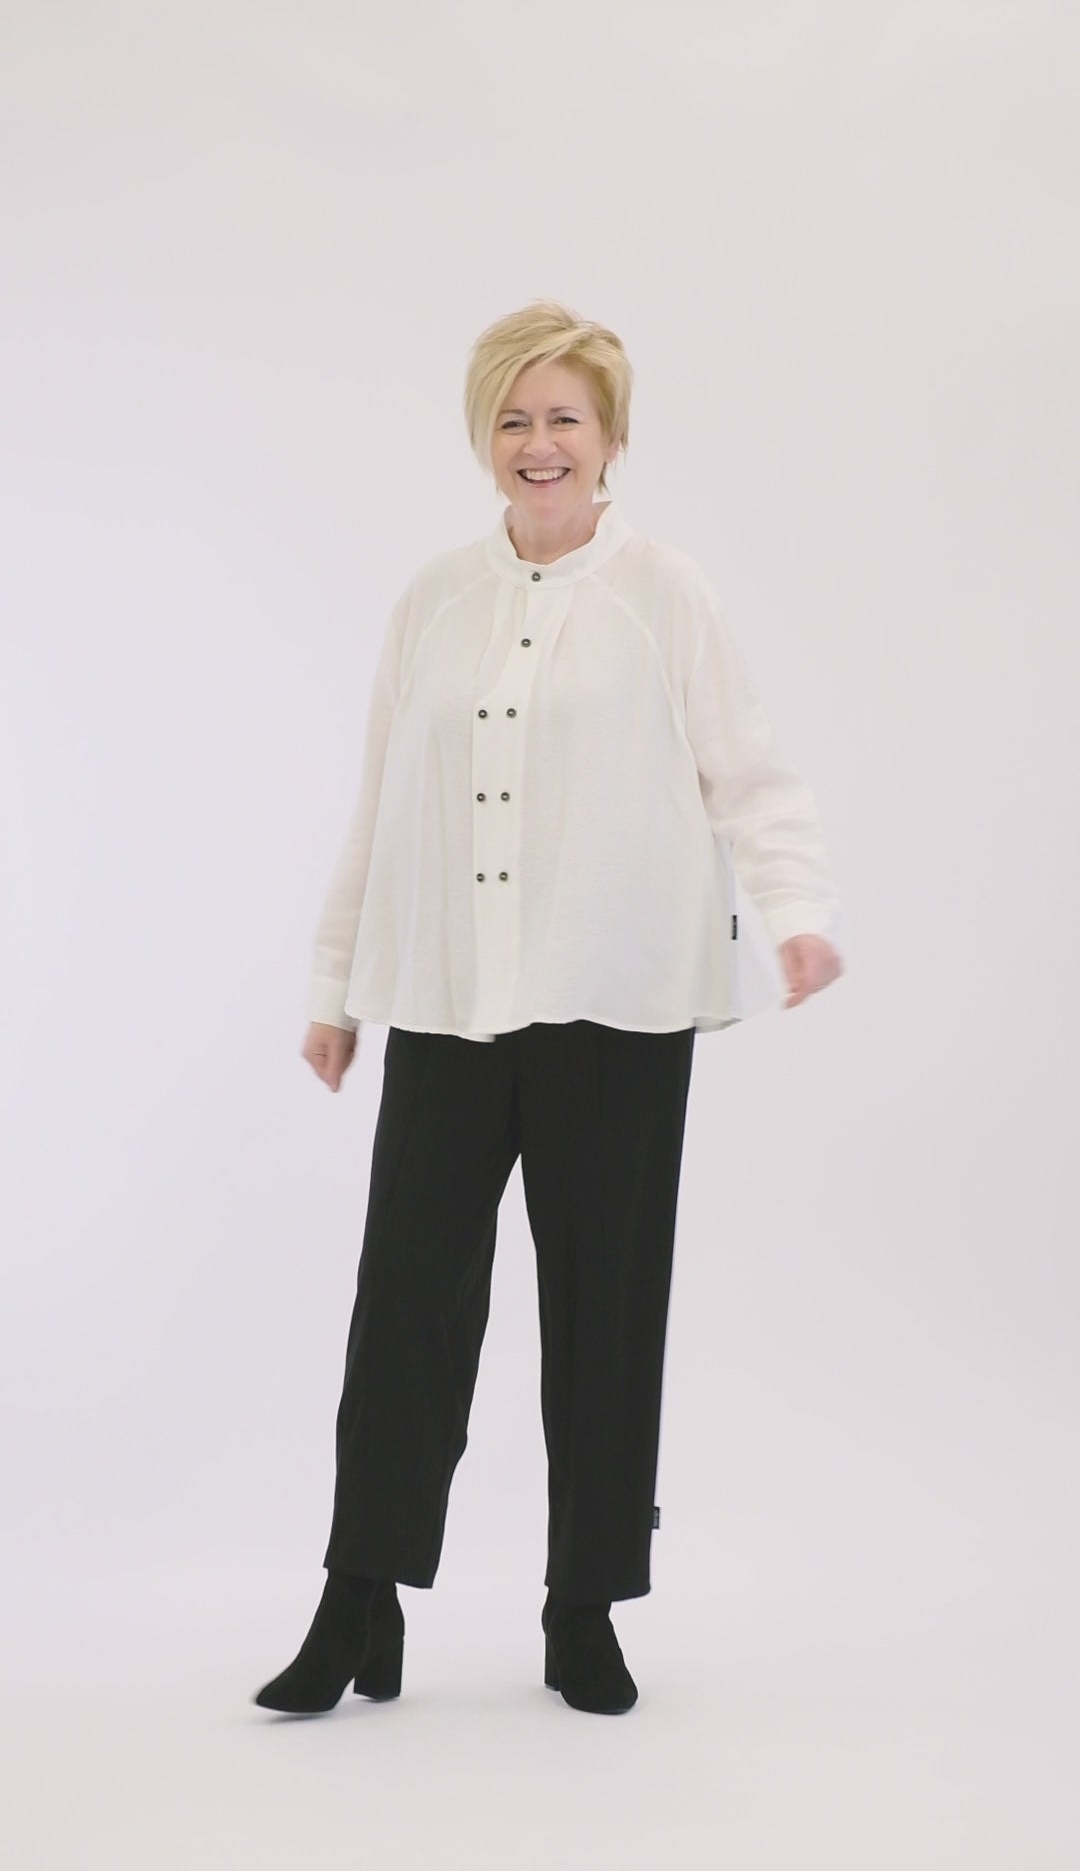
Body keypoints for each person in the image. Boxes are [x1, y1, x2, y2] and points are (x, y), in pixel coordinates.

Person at [252, 298, 844, 1719]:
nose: (539, 442)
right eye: (513, 418)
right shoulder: (433, 601)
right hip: (448, 1003)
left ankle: (585, 1608)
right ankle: (358, 1599)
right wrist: (336, 989)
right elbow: (381, 800)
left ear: (612, 437)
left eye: (564, 417)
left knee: (605, 1313)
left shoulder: (667, 595)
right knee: (405, 1312)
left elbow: (748, 775)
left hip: (615, 1007)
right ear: (485, 437)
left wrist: (797, 914)